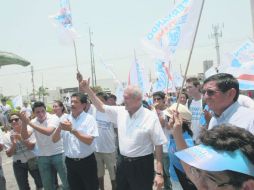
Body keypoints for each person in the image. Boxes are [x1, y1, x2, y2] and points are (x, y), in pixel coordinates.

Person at [79, 77, 167, 190]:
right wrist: (87, 89)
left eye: (126, 98)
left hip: (142, 165)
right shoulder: (120, 112)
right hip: (123, 163)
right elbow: (101, 106)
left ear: (137, 99)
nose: (123, 100)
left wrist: (159, 174)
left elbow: (158, 145)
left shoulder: (150, 117)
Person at [173, 122, 254, 190]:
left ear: (247, 188)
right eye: (198, 171)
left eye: (212, 179)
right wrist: (177, 133)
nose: (200, 187)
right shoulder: (202, 181)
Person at [52, 93, 99, 190]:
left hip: (87, 162)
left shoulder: (89, 119)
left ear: (83, 105)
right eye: (71, 101)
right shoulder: (65, 119)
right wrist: (60, 127)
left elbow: (89, 140)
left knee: (91, 187)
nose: (72, 104)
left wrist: (72, 130)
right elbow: (54, 139)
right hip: (70, 163)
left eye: (76, 102)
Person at [20, 101, 69, 190]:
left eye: (42, 111)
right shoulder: (33, 121)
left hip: (58, 154)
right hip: (43, 156)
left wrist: (29, 123)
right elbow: (25, 136)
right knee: (48, 186)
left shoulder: (53, 118)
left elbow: (48, 132)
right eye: (37, 112)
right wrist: (24, 122)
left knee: (66, 183)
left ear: (45, 110)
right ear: (33, 113)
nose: (41, 114)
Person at [3, 112, 43, 190]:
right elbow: (9, 154)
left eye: (16, 119)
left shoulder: (29, 130)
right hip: (18, 164)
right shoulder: (7, 136)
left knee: (40, 183)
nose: (14, 121)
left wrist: (21, 139)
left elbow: (31, 147)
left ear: (21, 120)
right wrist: (13, 144)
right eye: (11, 120)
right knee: (23, 187)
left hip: (33, 160)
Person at [165, 103, 196, 190]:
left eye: (168, 118)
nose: (167, 121)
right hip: (175, 178)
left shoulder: (186, 142)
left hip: (182, 182)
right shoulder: (172, 136)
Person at [93, 92, 117, 190]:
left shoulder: (111, 113)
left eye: (101, 100)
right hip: (96, 149)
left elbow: (117, 130)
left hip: (109, 150)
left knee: (113, 175)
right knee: (99, 174)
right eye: (96, 100)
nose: (98, 102)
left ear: (106, 101)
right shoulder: (93, 110)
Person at [152, 91, 172, 190]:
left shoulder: (168, 111)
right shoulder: (152, 112)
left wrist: (159, 114)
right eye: (154, 99)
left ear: (163, 100)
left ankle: (168, 187)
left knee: (167, 172)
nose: (156, 101)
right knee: (161, 171)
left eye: (158, 99)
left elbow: (165, 126)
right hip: (157, 147)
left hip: (167, 145)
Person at [185, 77, 205, 142]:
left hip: (203, 139)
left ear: (198, 87)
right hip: (192, 138)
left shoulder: (205, 101)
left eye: (190, 87)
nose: (188, 90)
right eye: (186, 88)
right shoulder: (189, 102)